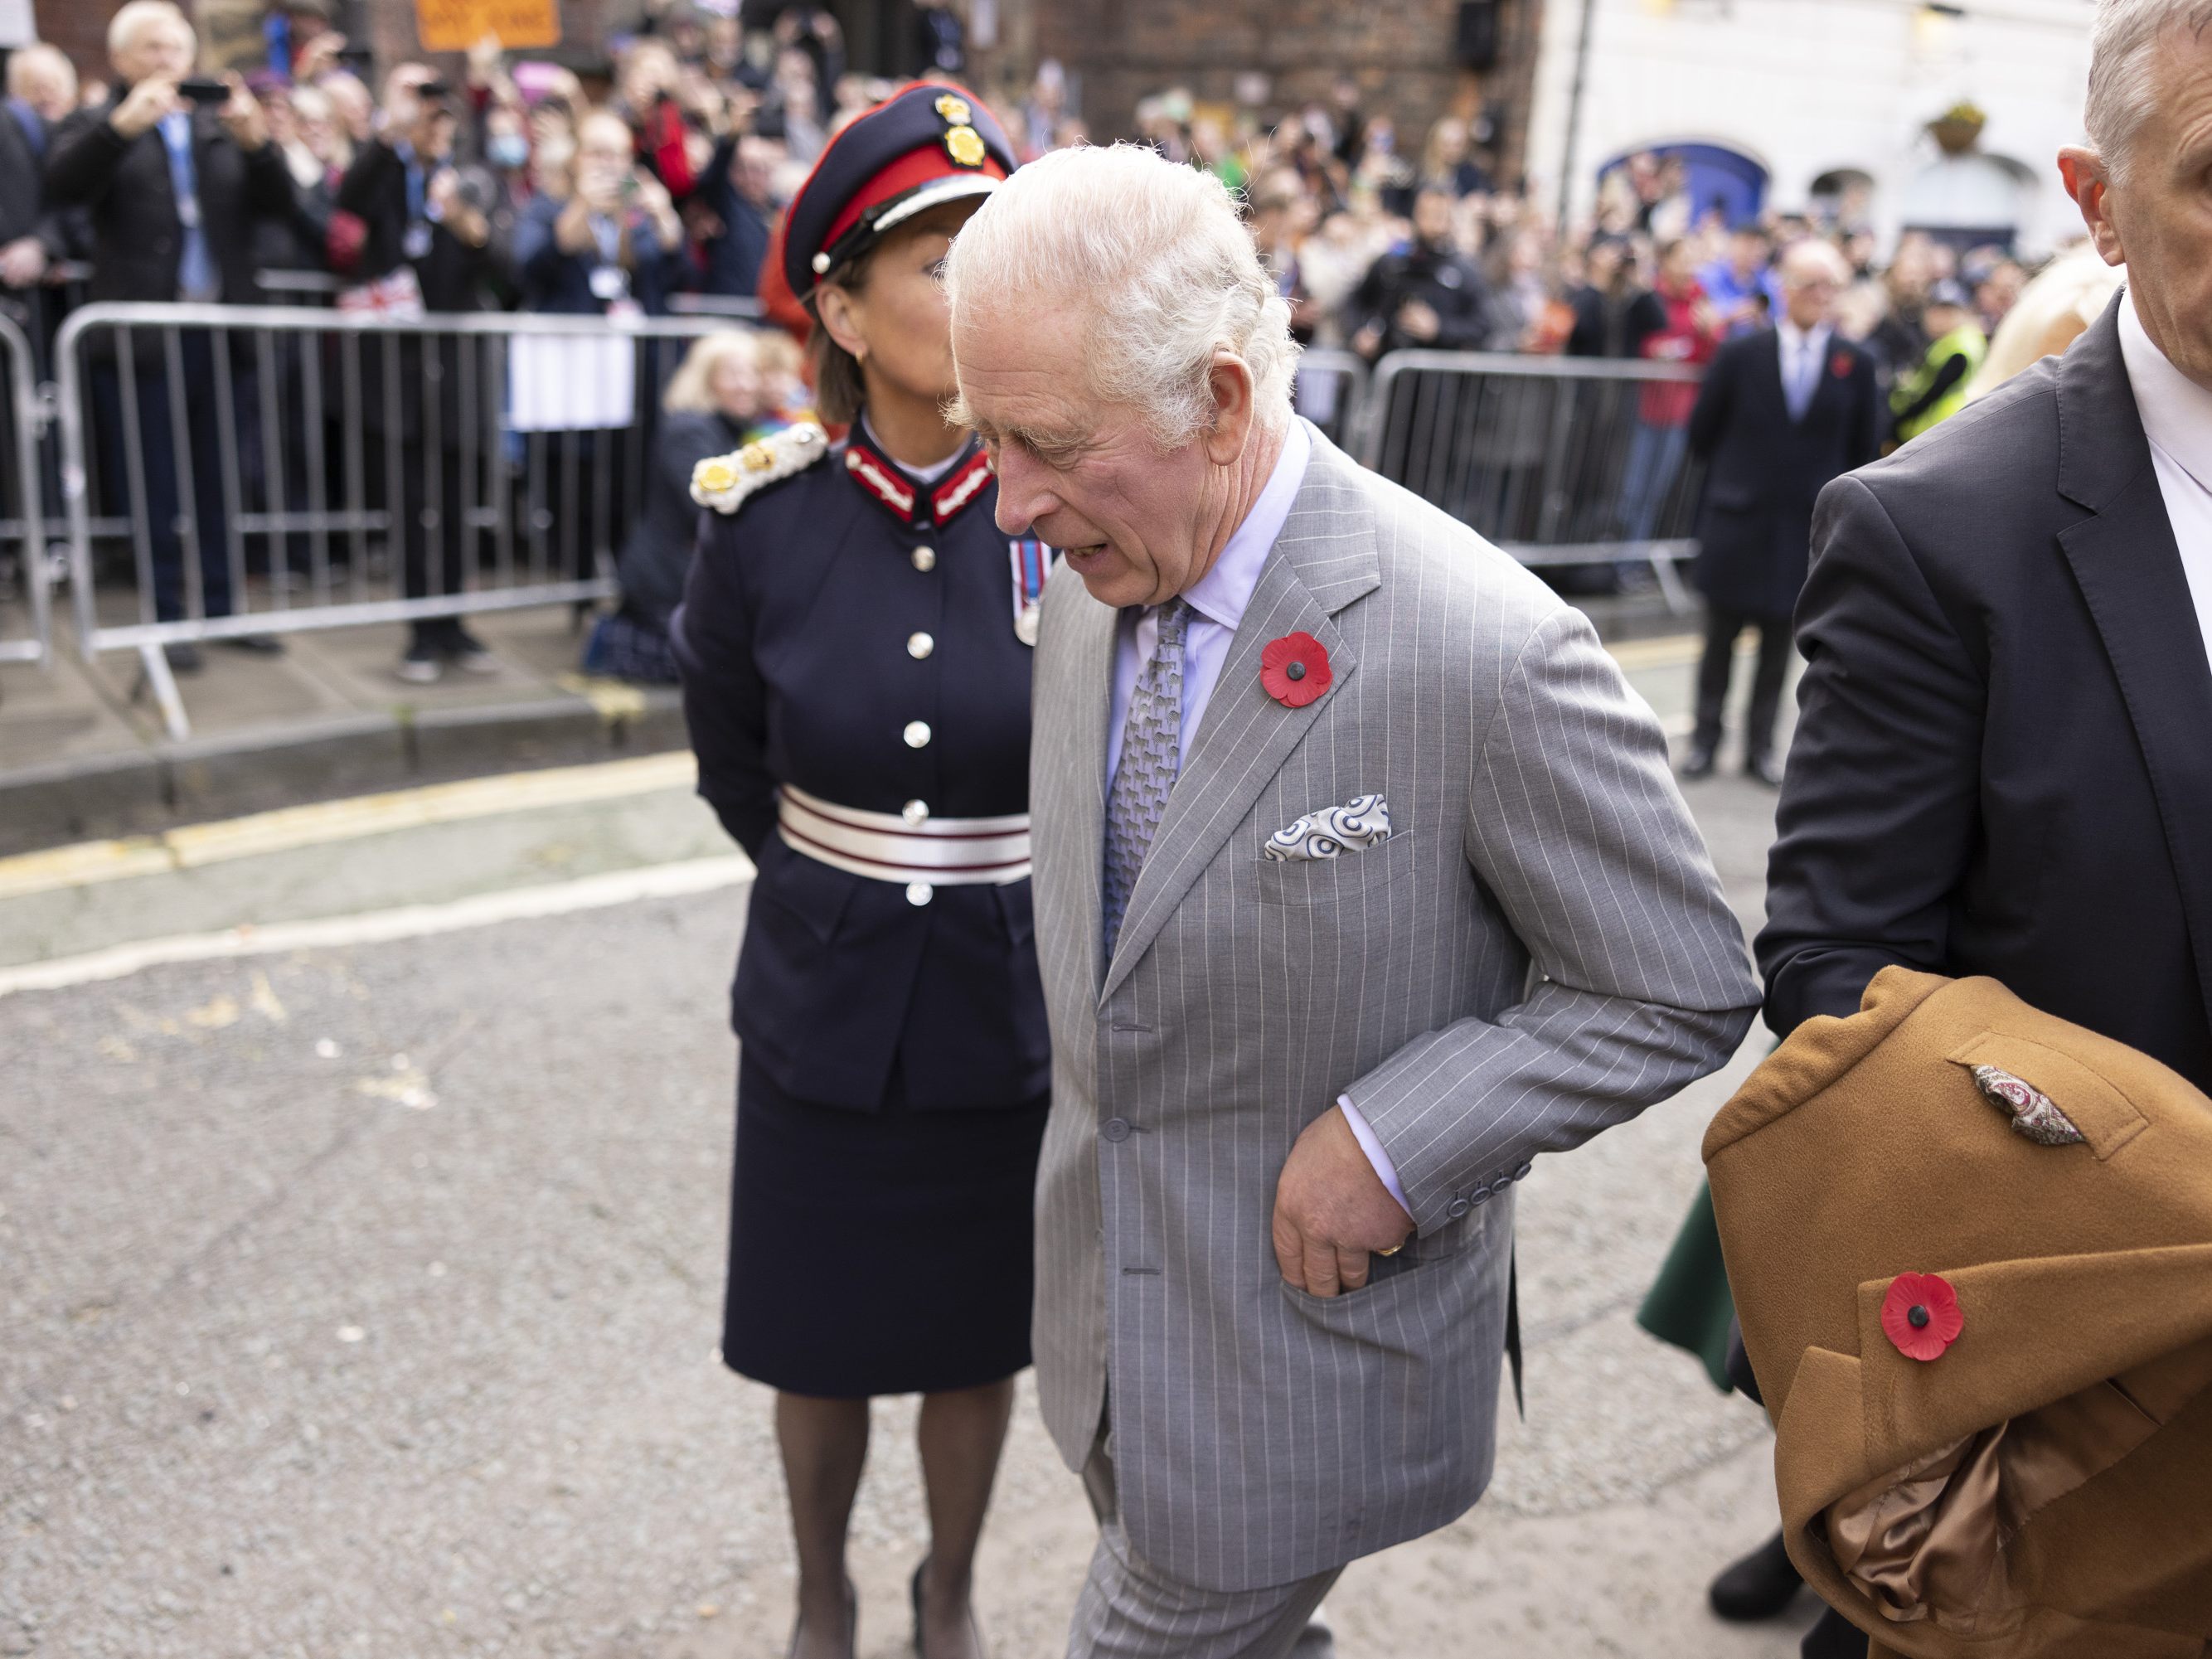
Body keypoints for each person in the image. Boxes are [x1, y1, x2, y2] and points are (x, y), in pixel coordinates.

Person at [944, 142, 1760, 1659]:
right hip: (1117, 1328)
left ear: (1223, 401)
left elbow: (1674, 980)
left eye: (1045, 441)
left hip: (1297, 1365)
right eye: (982, 436)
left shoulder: (1482, 647)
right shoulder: (1090, 561)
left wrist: (1399, 1137)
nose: (1004, 503)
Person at [1759, 5, 2212, 1652]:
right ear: (2093, 200)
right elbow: (1833, 974)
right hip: (2076, 1419)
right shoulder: (1937, 529)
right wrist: (2159, 1183)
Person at [669, 85, 1042, 1659]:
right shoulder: (761, 522)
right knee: (813, 1345)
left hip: (1003, 995)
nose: (974, 301)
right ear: (838, 302)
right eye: (938, 263)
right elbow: (734, 764)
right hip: (819, 993)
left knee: (973, 1346)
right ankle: (821, 1588)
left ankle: (944, 1586)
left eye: (997, 263)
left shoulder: (1067, 512)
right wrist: (840, 884)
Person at [44, 0, 298, 667]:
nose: (166, 61)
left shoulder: (221, 126)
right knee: (153, 479)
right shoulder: (101, 123)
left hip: (218, 328)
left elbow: (284, 210)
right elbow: (62, 188)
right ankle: (167, 616)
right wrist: (120, 130)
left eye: (175, 48)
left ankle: (222, 606)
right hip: (143, 335)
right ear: (122, 59)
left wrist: (259, 144)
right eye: (151, 49)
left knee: (221, 477)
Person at [1681, 240, 1881, 787]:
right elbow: (1701, 434)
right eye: (1811, 285)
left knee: (1779, 645)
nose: (1822, 297)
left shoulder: (1855, 364)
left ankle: (1760, 748)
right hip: (1738, 517)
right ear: (1785, 289)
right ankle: (1704, 740)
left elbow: (1864, 449)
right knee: (1718, 638)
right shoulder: (1740, 354)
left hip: (1804, 528)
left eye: (1831, 287)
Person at [336, 65, 509, 683]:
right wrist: (392, 138)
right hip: (398, 368)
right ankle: (420, 631)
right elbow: (348, 202)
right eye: (418, 104)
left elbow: (503, 268)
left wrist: (468, 223)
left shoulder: (472, 178)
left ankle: (455, 623)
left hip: (456, 363)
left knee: (457, 502)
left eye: (439, 108)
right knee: (409, 504)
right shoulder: (385, 170)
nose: (431, 118)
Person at [597, 331, 774, 684]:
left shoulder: (735, 427)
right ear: (706, 379)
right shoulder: (690, 430)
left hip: (695, 580)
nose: (746, 385)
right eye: (733, 374)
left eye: (753, 373)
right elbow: (715, 504)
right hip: (669, 586)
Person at [1345, 183, 1499, 361]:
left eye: (1440, 213)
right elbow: (1354, 301)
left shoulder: (1465, 270)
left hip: (1439, 375)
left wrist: (1439, 328)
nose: (1434, 221)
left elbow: (1483, 325)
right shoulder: (1393, 262)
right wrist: (1361, 331)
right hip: (1387, 367)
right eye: (1427, 213)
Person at [1887, 276, 1986, 444]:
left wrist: (1898, 421)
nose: (1941, 318)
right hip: (1936, 430)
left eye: (1949, 312)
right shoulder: (1947, 341)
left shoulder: (1960, 347)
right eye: (1937, 311)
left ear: (1963, 313)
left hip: (1939, 430)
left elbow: (1932, 393)